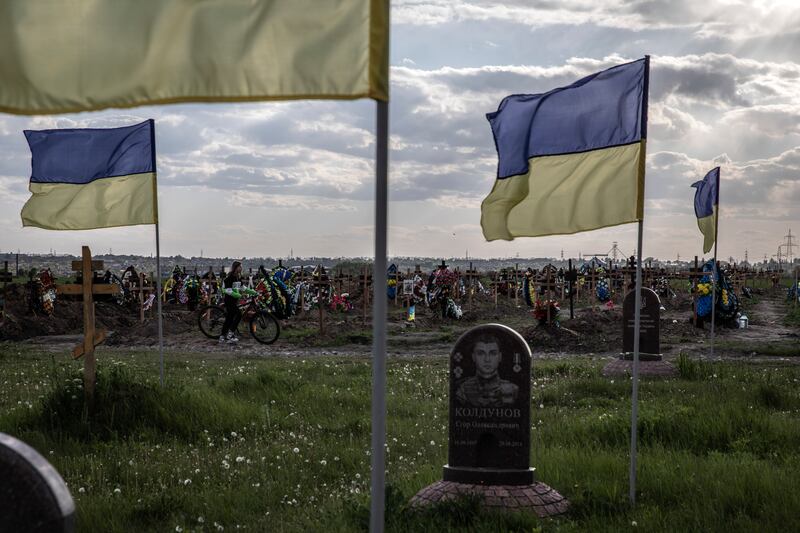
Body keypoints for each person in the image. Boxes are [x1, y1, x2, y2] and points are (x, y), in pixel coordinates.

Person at [455, 334, 518, 407]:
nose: (487, 359)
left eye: (493, 353)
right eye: (481, 353)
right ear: (473, 357)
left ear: (500, 357)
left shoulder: (513, 389)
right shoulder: (462, 391)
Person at [221, 261, 245, 344]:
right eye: (240, 267)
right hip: (229, 301)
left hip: (234, 301)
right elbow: (225, 289)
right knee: (239, 314)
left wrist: (253, 292)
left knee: (229, 318)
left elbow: (243, 287)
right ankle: (230, 335)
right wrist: (236, 295)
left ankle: (222, 336)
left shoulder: (238, 277)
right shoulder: (230, 277)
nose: (241, 268)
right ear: (236, 267)